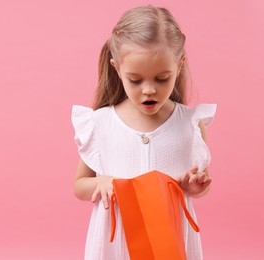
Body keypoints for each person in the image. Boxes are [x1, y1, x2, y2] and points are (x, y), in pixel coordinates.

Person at [71, 5, 216, 260]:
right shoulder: (101, 123)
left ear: (179, 66)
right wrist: (101, 182)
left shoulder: (190, 123)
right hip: (115, 245)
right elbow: (79, 185)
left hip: (169, 240)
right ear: (117, 69)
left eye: (161, 79)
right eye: (135, 80)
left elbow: (200, 184)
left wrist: (194, 186)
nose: (149, 90)